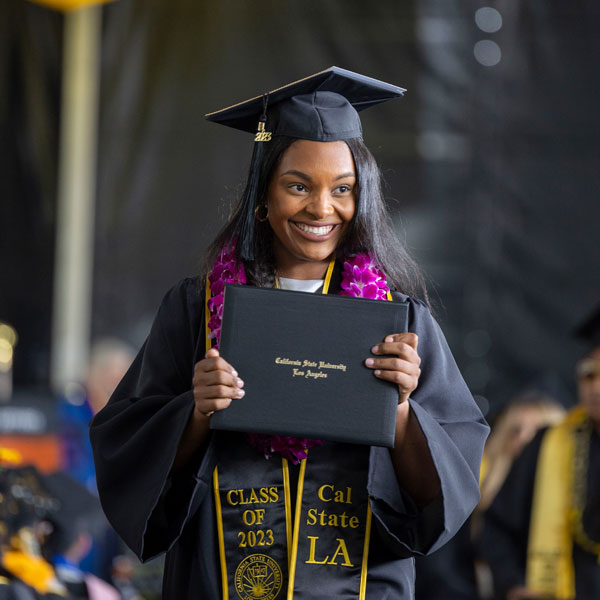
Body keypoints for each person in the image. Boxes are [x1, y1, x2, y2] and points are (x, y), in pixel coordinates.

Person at [90, 67, 489, 599]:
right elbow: (127, 449)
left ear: (361, 197)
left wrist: (397, 412)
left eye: (342, 189)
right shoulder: (197, 308)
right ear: (263, 194)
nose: (321, 208)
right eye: (298, 186)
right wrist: (195, 412)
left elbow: (443, 491)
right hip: (220, 583)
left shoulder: (400, 320)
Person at [479, 305, 600, 599]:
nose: (597, 386)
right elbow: (495, 529)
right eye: (589, 374)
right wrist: (512, 585)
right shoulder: (547, 445)